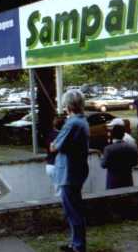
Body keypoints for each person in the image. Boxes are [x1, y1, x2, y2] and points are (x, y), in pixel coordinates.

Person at [50, 90, 89, 252]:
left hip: (69, 173)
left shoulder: (72, 123)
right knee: (75, 209)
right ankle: (75, 243)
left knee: (73, 211)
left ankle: (78, 246)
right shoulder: (82, 121)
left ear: (69, 105)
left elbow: (54, 146)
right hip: (76, 171)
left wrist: (54, 144)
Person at [101, 123, 138, 189]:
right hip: (127, 180)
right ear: (123, 134)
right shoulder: (132, 147)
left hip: (113, 181)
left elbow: (103, 165)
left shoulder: (108, 149)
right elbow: (135, 163)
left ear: (113, 135)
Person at [46, 116, 65, 196]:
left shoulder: (50, 134)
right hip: (57, 165)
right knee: (61, 191)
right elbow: (52, 149)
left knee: (58, 188)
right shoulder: (60, 136)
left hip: (49, 165)